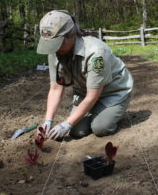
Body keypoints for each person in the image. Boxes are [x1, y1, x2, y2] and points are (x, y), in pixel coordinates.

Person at [36, 10, 133, 140]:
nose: (55, 49)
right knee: (77, 132)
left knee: (100, 128)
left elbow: (92, 96)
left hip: (112, 92)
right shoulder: (54, 51)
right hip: (84, 92)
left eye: (57, 43)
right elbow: (55, 88)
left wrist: (66, 124)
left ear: (70, 36)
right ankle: (96, 112)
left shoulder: (96, 53)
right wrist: (48, 121)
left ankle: (115, 109)